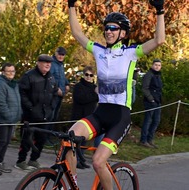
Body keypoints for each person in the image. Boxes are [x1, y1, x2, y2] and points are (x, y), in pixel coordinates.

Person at [67, 0, 165, 188]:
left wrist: (160, 11)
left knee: (97, 161)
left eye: (113, 28)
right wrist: (71, 5)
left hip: (120, 117)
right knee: (69, 138)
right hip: (100, 113)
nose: (108, 31)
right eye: (106, 28)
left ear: (123, 33)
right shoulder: (98, 51)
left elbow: (159, 40)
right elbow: (77, 33)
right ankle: (73, 184)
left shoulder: (131, 53)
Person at [15, 54, 58, 171]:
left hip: (45, 115)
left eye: (50, 63)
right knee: (27, 139)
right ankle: (21, 160)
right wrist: (31, 108)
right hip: (31, 115)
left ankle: (34, 159)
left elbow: (55, 93)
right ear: (38, 63)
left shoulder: (51, 78)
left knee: (41, 139)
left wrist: (52, 107)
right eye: (45, 62)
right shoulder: (29, 76)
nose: (48, 64)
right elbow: (22, 94)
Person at [0, 63, 22, 176]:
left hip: (11, 119)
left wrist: (18, 114)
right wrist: (9, 116)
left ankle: (0, 162)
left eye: (13, 71)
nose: (11, 73)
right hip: (2, 119)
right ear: (3, 72)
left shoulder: (14, 84)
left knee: (6, 141)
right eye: (8, 71)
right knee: (0, 140)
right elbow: (0, 103)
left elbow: (17, 101)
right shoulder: (0, 84)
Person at [71, 66, 99, 169]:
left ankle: (81, 159)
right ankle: (76, 160)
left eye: (91, 75)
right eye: (87, 75)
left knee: (84, 141)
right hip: (79, 116)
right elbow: (82, 98)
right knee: (77, 140)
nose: (88, 77)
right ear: (83, 75)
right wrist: (95, 95)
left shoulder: (94, 87)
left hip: (89, 116)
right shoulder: (79, 86)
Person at [140, 59, 163, 148]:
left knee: (156, 121)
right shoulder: (148, 75)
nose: (157, 67)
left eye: (159, 65)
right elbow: (144, 88)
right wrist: (151, 99)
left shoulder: (158, 76)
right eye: (156, 65)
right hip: (150, 102)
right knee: (148, 121)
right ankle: (143, 140)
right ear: (152, 65)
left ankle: (150, 139)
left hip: (158, 101)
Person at [50, 47, 70, 127]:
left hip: (60, 95)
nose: (61, 56)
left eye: (63, 55)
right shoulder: (52, 64)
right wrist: (56, 89)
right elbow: (50, 78)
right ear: (55, 53)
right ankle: (45, 136)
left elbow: (62, 77)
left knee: (55, 117)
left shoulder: (61, 65)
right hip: (53, 95)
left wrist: (67, 84)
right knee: (50, 116)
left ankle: (50, 135)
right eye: (59, 54)